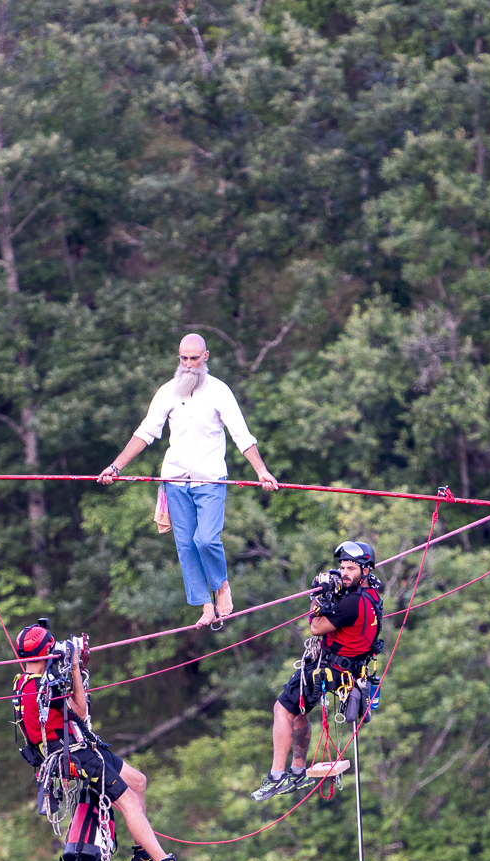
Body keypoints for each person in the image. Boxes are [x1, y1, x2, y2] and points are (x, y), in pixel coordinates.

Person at [99, 333, 280, 630]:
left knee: (205, 539)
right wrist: (115, 467)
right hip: (175, 480)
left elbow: (241, 435)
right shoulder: (168, 391)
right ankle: (206, 606)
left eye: (194, 358)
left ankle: (221, 585)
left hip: (210, 481)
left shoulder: (220, 391)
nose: (188, 365)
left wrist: (261, 471)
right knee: (185, 546)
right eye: (183, 358)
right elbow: (145, 432)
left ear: (206, 357)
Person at [10, 620, 208, 861]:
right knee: (129, 803)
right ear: (47, 651)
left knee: (138, 782)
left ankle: (143, 854)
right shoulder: (46, 687)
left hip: (77, 746)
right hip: (75, 754)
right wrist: (76, 669)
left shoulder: (23, 682)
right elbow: (80, 711)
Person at [251, 541, 383, 801]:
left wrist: (317, 597)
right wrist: (336, 590)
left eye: (351, 569)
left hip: (329, 669)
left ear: (365, 571)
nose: (344, 573)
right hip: (350, 669)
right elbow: (347, 611)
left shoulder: (353, 602)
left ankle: (277, 776)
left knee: (282, 709)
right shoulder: (373, 595)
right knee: (299, 709)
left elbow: (317, 627)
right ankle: (298, 770)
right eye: (342, 567)